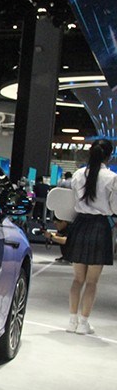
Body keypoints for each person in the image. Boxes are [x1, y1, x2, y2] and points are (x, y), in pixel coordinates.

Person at [64, 139, 117, 335]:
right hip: (99, 227)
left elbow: (71, 202)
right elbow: (115, 207)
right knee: (92, 281)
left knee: (77, 279)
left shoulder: (78, 174)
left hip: (79, 225)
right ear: (108, 156)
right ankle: (84, 323)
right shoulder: (112, 178)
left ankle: (72, 321)